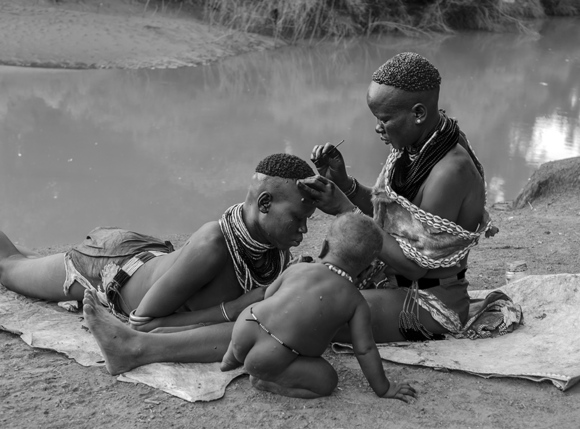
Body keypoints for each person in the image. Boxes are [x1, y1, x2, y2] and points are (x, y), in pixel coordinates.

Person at [297, 52, 498, 343]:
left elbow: (415, 266)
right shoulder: (419, 142)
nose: (378, 127)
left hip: (428, 302)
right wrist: (345, 183)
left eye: (384, 119)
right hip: (390, 280)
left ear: (418, 113)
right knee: (296, 291)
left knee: (310, 316)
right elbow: (392, 215)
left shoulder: (449, 172)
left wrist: (345, 210)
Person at [0, 153, 316, 337]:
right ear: (263, 204)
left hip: (147, 254)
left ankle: (41, 259)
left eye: (308, 220)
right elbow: (141, 321)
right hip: (109, 269)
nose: (303, 229)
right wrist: (232, 309)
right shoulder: (213, 245)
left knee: (32, 260)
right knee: (9, 265)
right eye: (296, 219)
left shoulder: (272, 246)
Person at [219, 213, 416, 401]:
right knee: (327, 381)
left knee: (258, 314)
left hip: (245, 328)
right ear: (367, 272)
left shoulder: (297, 268)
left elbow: (269, 295)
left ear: (323, 247)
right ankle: (265, 381)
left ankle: (230, 359)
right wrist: (384, 388)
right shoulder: (355, 302)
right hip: (271, 357)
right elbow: (365, 350)